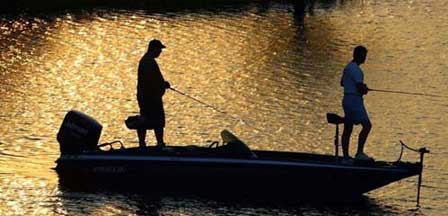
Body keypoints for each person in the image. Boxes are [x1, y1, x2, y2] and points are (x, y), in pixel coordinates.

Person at [340, 45, 373, 162]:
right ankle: (359, 152)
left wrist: (359, 87)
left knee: (348, 128)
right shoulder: (357, 71)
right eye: (364, 55)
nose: (365, 58)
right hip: (355, 101)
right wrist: (364, 89)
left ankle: (345, 156)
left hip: (346, 100)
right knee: (367, 126)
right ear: (358, 55)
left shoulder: (348, 67)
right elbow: (360, 89)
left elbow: (342, 83)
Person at [136, 39, 170, 148]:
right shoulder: (148, 62)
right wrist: (162, 85)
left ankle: (143, 144)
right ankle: (158, 143)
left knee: (146, 119)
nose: (160, 51)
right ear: (154, 49)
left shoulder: (147, 60)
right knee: (157, 120)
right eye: (159, 49)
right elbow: (151, 81)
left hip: (146, 96)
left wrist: (162, 84)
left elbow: (153, 80)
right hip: (150, 98)